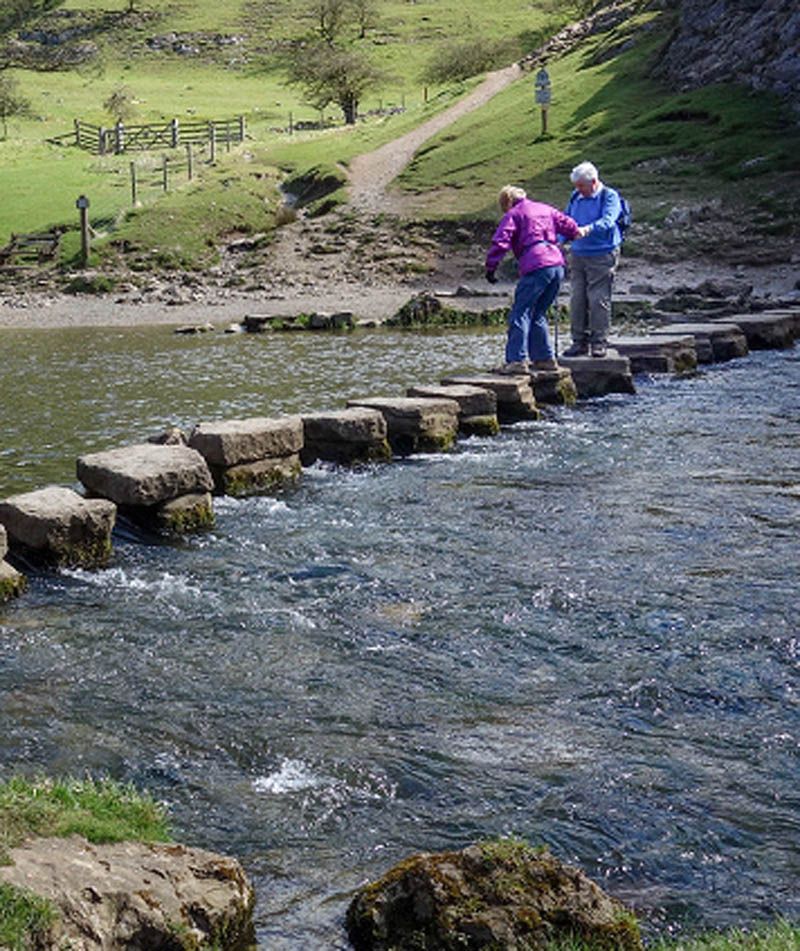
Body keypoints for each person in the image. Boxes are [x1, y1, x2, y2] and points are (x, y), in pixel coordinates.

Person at [485, 185, 586, 374]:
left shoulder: (513, 214)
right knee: (538, 312)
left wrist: (491, 267)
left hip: (536, 264)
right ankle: (544, 359)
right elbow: (570, 226)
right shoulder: (545, 208)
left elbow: (501, 241)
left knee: (520, 312)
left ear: (506, 202)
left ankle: (516, 360)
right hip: (557, 264)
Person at [561, 161, 622, 358]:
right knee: (577, 298)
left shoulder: (609, 196)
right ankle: (579, 342)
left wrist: (587, 229)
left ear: (594, 182)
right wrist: (558, 240)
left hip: (603, 254)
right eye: (576, 186)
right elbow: (567, 220)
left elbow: (608, 221)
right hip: (578, 254)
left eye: (581, 186)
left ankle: (599, 342)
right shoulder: (575, 196)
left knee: (598, 299)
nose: (578, 190)